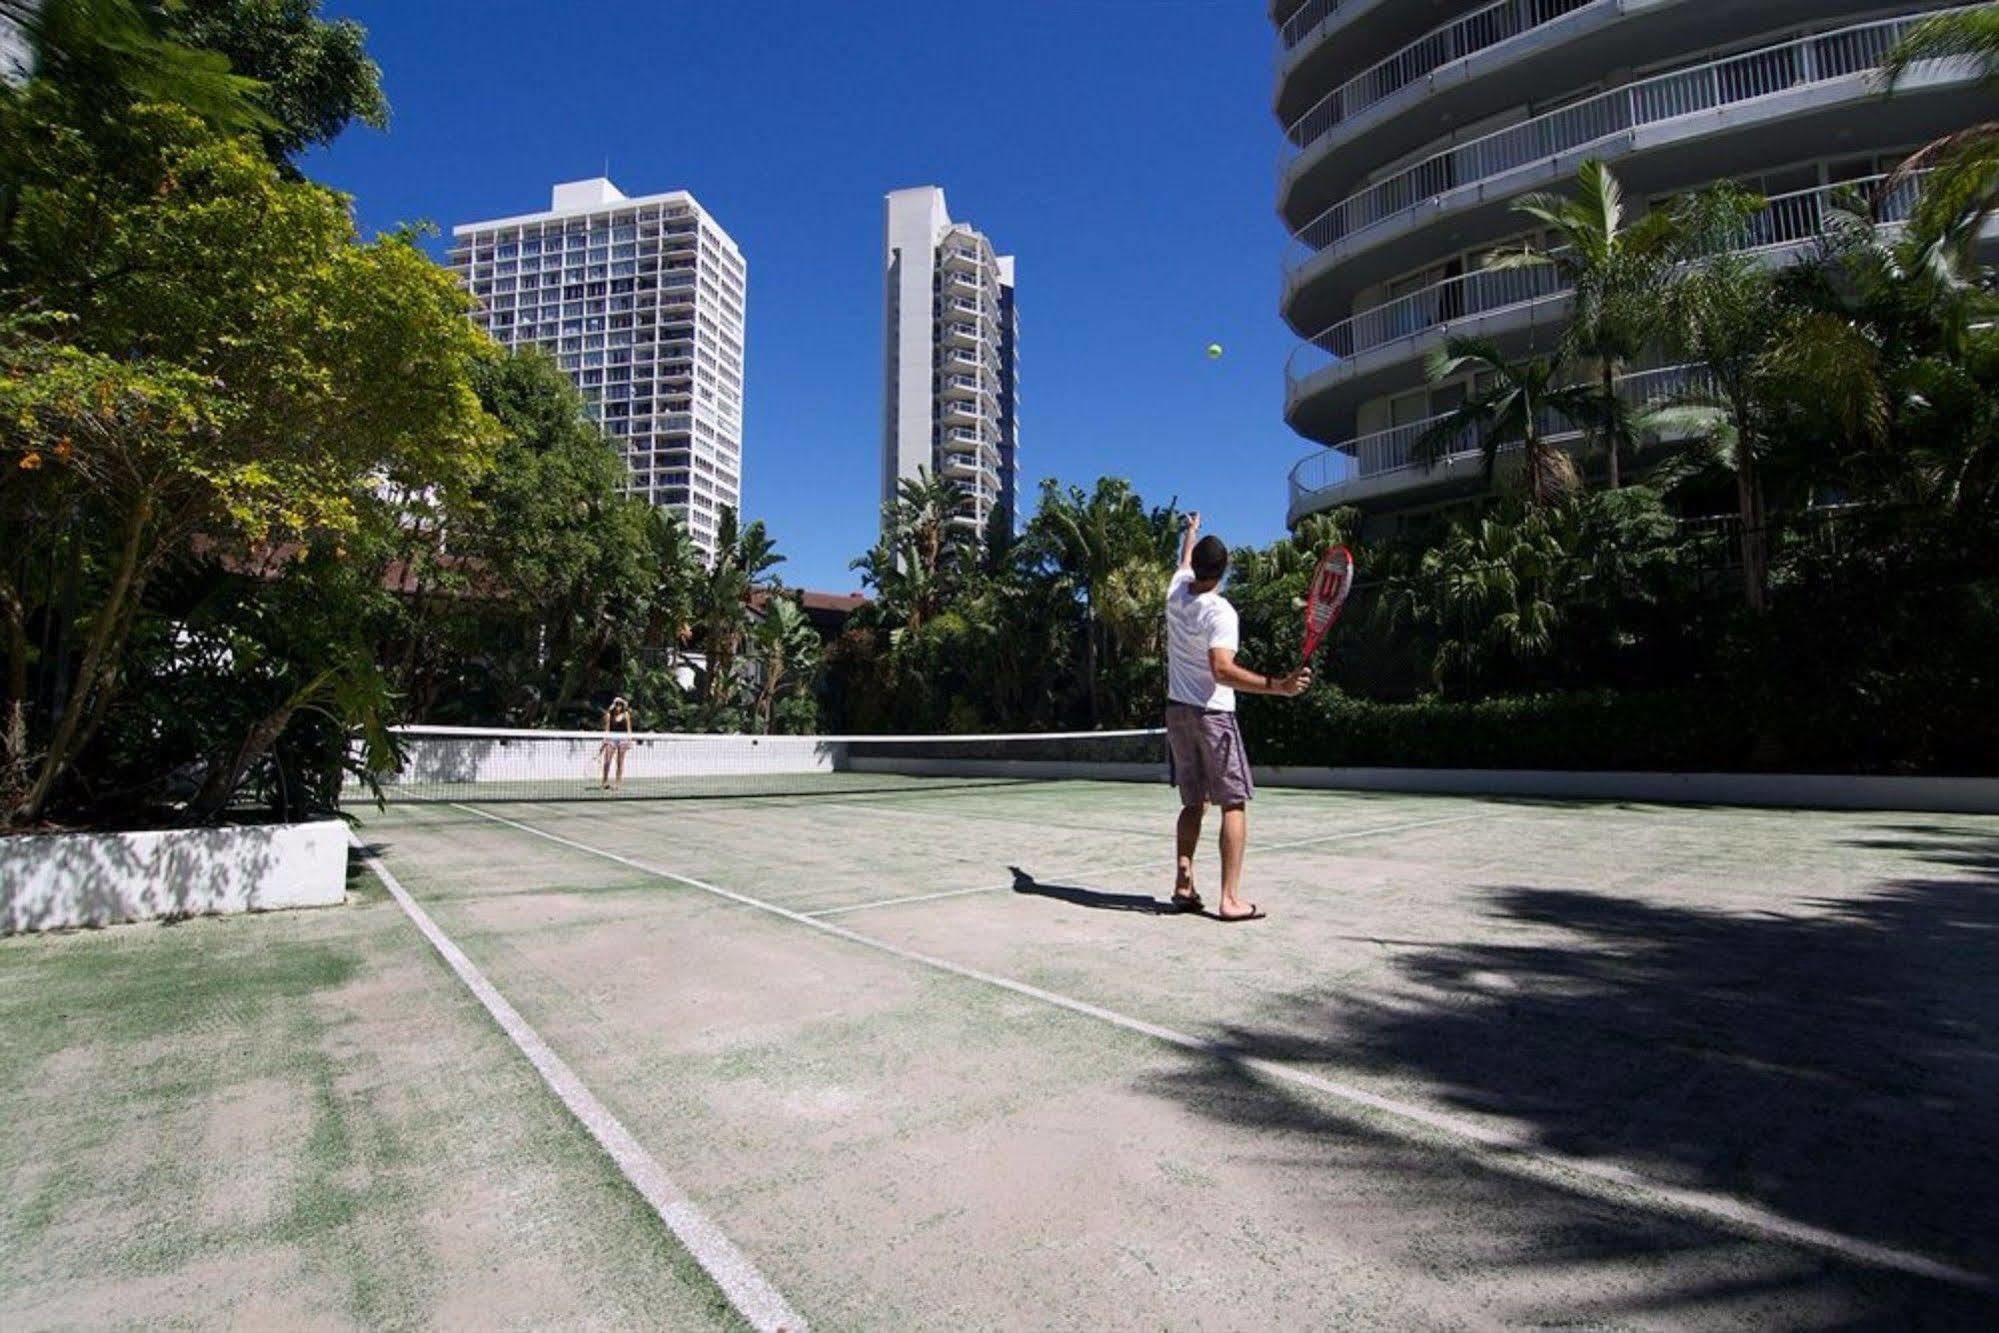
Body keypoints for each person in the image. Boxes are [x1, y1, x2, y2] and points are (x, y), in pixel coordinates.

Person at [1164, 512, 1310, 921]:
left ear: (1196, 567)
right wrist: (1278, 685)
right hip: (1213, 716)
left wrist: (1189, 532)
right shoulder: (1221, 612)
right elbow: (1222, 670)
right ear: (1224, 571)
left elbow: (1181, 563)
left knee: (1194, 803)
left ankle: (1183, 883)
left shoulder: (1176, 592)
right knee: (1233, 804)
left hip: (1178, 713)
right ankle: (1230, 900)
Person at [598, 696, 635, 790]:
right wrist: (604, 742)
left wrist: (630, 740)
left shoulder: (626, 715)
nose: (618, 706)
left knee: (620, 761)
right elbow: (607, 729)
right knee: (607, 761)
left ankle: (617, 783)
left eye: (620, 704)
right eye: (617, 704)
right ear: (614, 705)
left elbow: (629, 729)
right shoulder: (609, 715)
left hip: (623, 739)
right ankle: (604, 782)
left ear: (623, 706)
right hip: (612, 738)